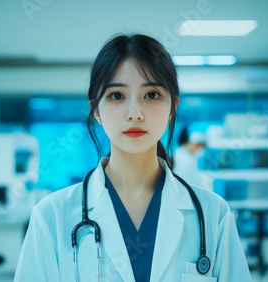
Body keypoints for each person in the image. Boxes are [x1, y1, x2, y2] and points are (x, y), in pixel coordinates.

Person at [14, 34, 251, 282]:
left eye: (151, 95)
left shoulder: (213, 214)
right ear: (96, 109)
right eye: (117, 95)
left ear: (172, 108)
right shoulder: (52, 215)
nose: (135, 113)